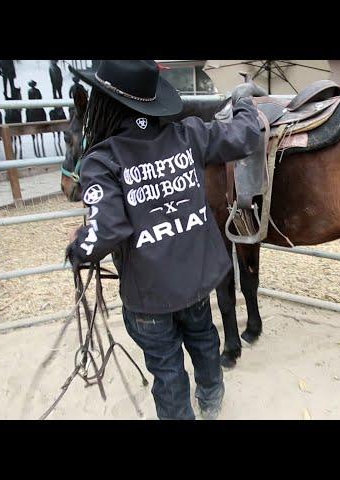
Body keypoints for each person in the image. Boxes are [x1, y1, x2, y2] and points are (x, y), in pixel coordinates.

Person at [65, 60, 263, 420]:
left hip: (149, 296)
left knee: (167, 370)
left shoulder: (103, 159)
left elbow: (105, 231)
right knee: (204, 340)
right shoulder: (187, 135)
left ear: (104, 104)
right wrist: (245, 101)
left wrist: (79, 247)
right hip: (197, 282)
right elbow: (246, 134)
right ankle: (211, 397)